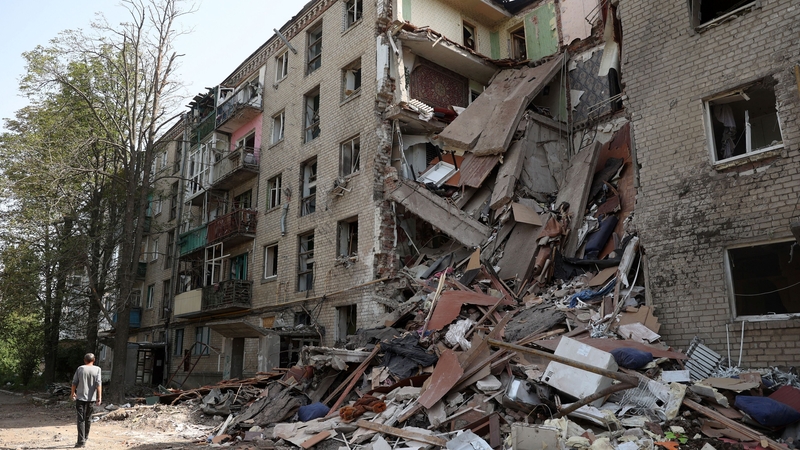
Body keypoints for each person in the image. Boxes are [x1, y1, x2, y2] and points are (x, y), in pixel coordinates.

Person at [70, 353, 102, 448]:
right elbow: (98, 384)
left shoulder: (80, 368)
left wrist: (73, 393)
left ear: (84, 360)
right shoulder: (97, 369)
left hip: (80, 398)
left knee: (81, 419)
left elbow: (74, 382)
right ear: (94, 360)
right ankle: (86, 437)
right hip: (91, 399)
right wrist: (99, 397)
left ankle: (81, 441)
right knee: (88, 418)